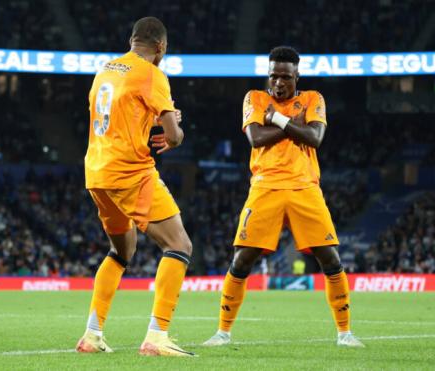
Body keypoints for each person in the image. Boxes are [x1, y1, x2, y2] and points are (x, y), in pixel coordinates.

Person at [203, 46, 364, 348]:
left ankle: (345, 333)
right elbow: (255, 138)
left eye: (285, 77)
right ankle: (223, 332)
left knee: (330, 258)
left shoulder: (314, 98)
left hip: (305, 187)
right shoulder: (254, 97)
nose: (278, 83)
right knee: (242, 259)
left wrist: (275, 119)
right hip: (265, 186)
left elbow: (314, 139)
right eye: (273, 76)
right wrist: (294, 125)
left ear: (297, 76)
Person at [75, 16, 195, 357]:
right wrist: (174, 134)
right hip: (130, 172)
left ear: (131, 41)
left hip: (96, 173)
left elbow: (117, 113)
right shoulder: (153, 73)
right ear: (160, 47)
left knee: (122, 252)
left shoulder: (106, 70)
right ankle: (157, 336)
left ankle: (92, 335)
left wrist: (155, 117)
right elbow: (173, 135)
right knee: (179, 244)